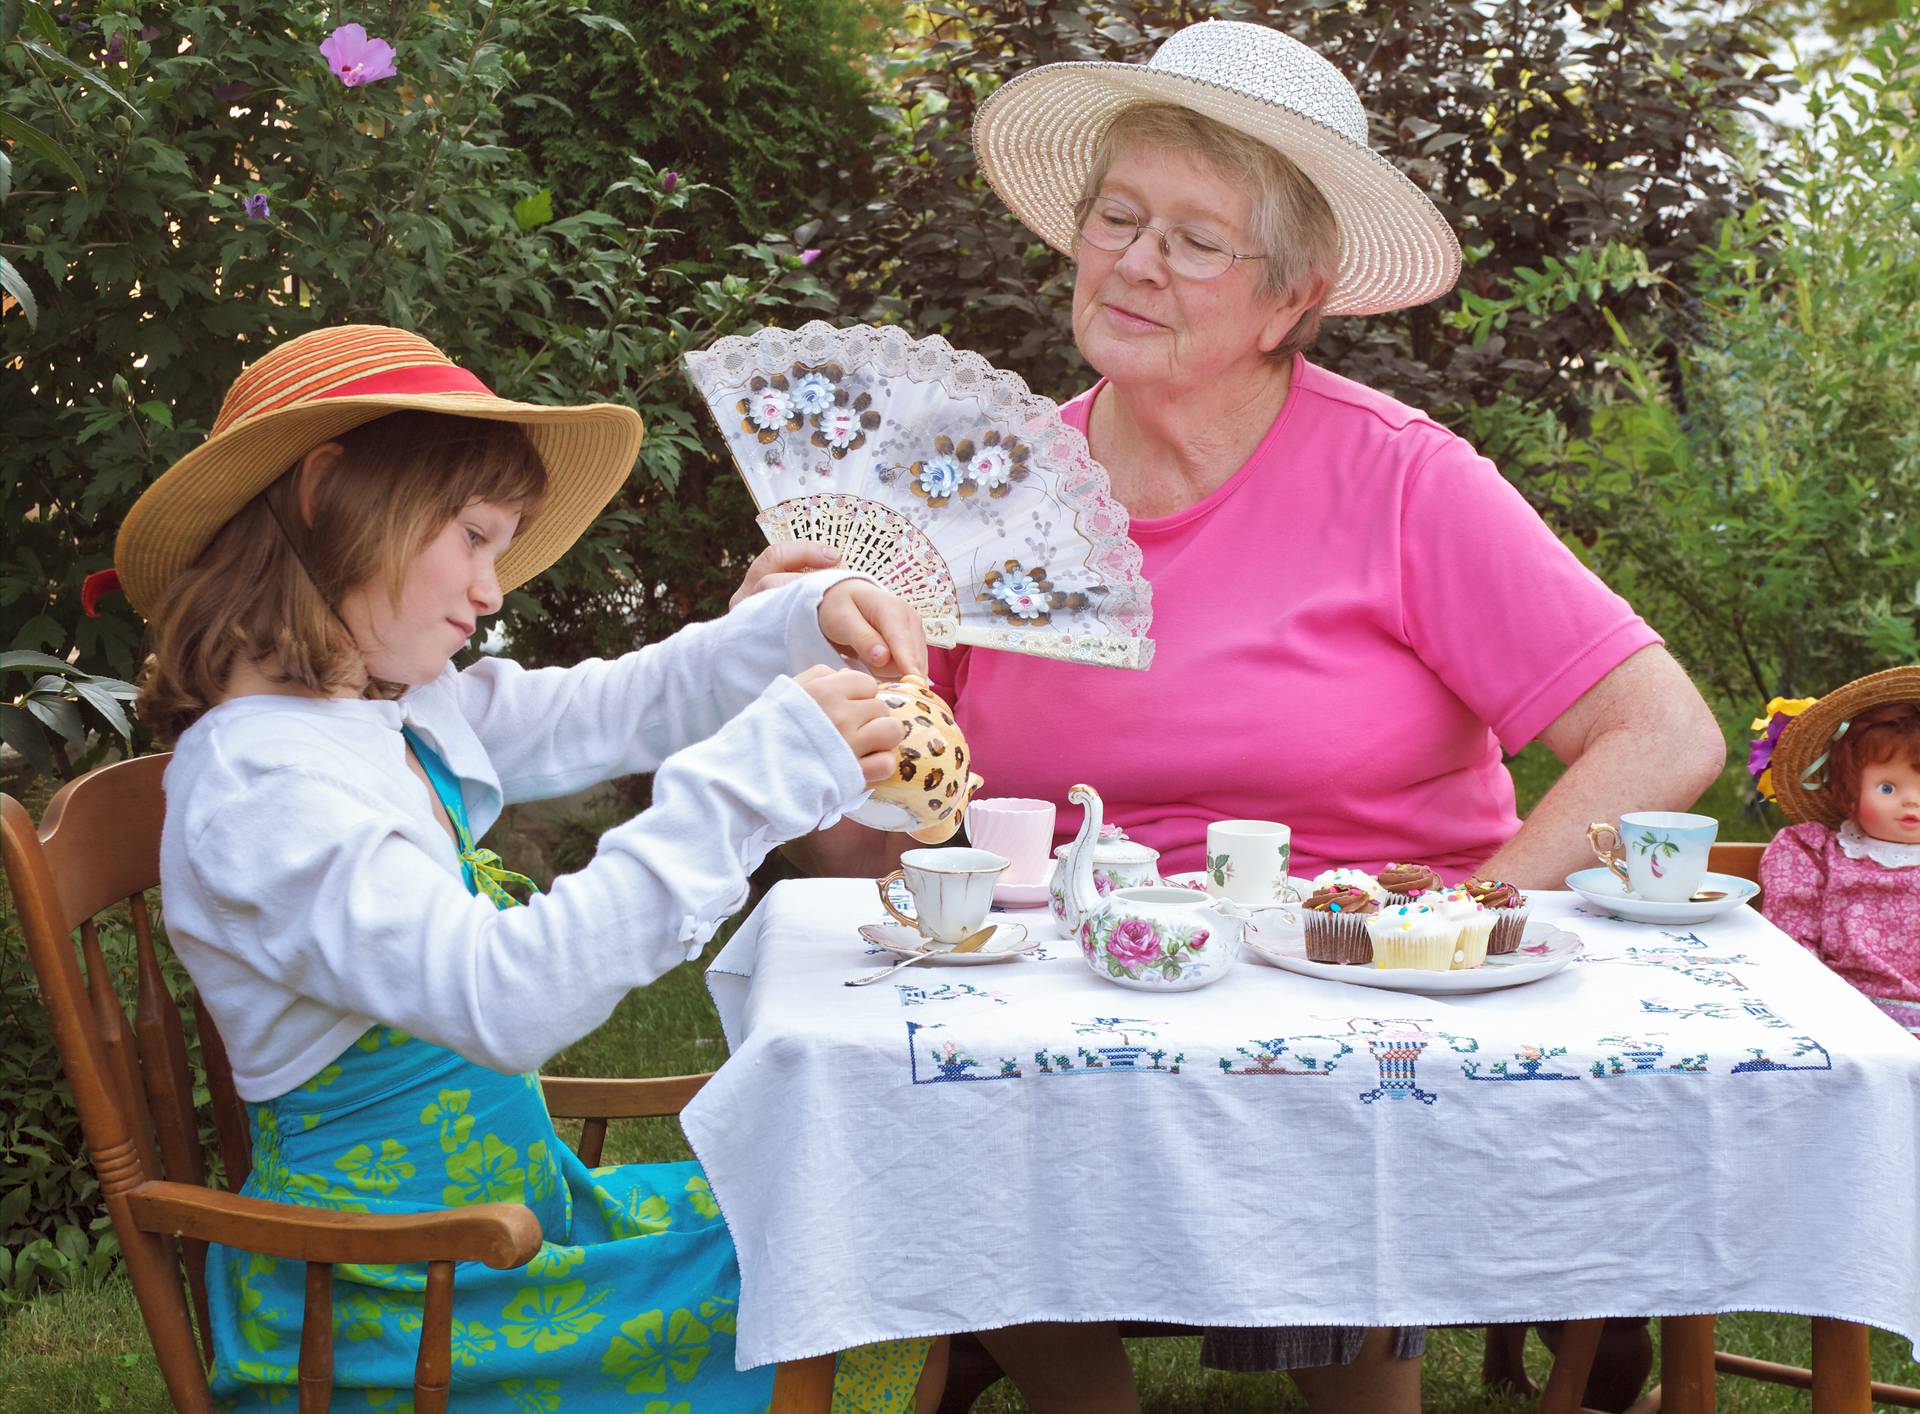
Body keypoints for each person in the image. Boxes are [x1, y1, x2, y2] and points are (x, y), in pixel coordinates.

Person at [780, 19, 1727, 1414]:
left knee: (1325, 1116)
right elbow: (867, 854)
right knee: (965, 1092)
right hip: (1072, 1003)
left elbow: (1665, 733)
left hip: (1351, 1000)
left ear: (1294, 297)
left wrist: (1452, 922)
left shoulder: (1405, 483)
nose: (1138, 261)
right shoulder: (980, 497)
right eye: (1118, 218)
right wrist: (809, 714)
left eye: (1197, 239)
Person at [118, 324, 943, 1412]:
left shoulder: (383, 706)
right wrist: (750, 783)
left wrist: (797, 620)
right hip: (395, 1297)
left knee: (868, 1212)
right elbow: (503, 997)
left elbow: (615, 705)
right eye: (472, 536)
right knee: (852, 1263)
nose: (493, 587)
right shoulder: (262, 786)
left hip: (499, 1235)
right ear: (326, 492)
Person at [1752, 666, 1920, 1038]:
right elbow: (1791, 944)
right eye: (1888, 788)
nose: (1912, 800)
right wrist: (1818, 1012)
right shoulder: (1813, 852)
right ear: (1848, 790)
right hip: (1842, 1020)